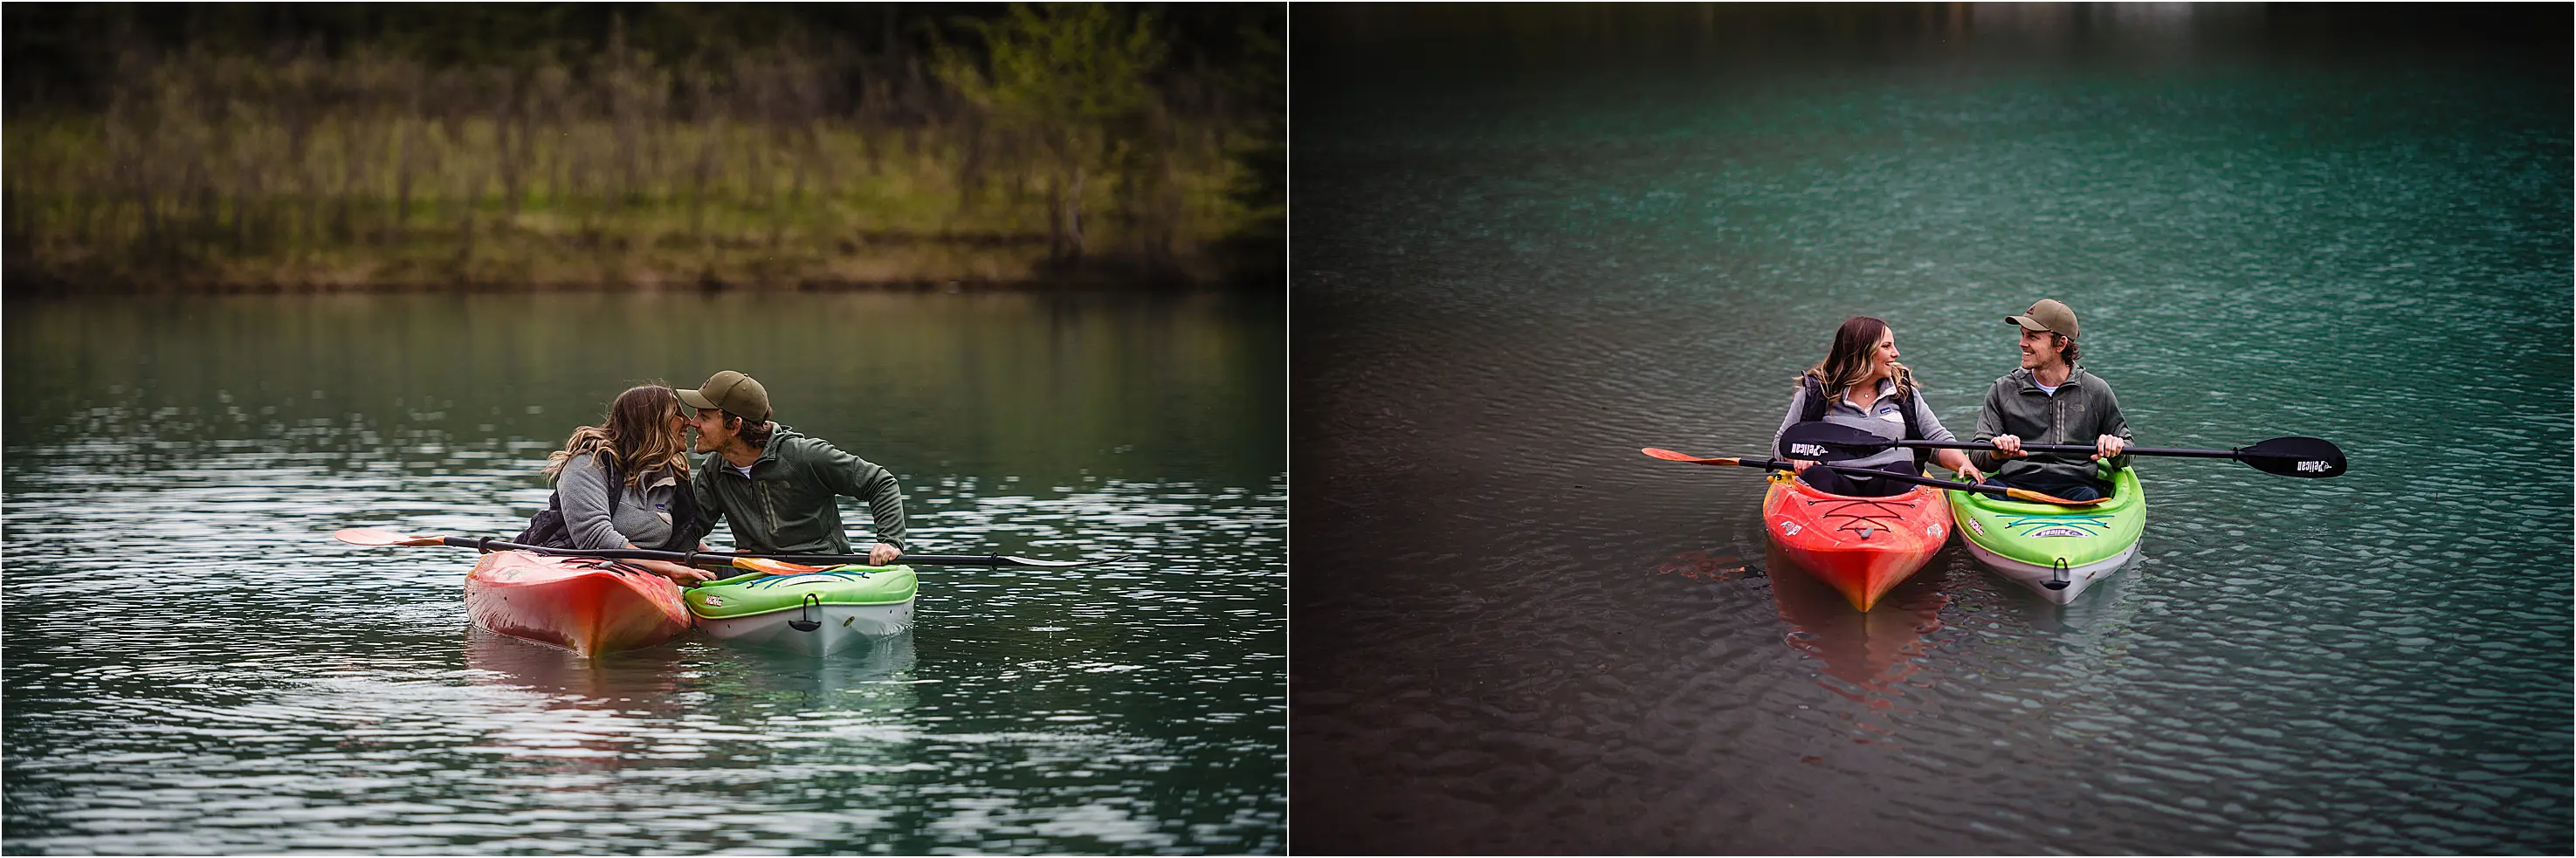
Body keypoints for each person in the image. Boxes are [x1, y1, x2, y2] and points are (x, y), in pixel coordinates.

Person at [678, 370, 909, 565]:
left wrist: (889, 541)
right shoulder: (713, 471)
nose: (692, 422)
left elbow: (880, 482)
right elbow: (688, 531)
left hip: (828, 574)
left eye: (704, 416)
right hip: (755, 578)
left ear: (735, 425)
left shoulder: (806, 456)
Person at [519, 384, 716, 583]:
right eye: (677, 414)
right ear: (650, 423)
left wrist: (724, 563)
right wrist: (666, 569)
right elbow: (595, 537)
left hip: (641, 580)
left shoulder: (673, 474)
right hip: (567, 572)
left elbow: (683, 538)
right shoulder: (588, 462)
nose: (688, 422)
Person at [1774, 316, 1983, 497]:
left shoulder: (1903, 392)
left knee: (1903, 470)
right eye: (1886, 346)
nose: (1896, 353)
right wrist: (1797, 457)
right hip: (1832, 485)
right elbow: (1781, 444)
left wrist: (1963, 463)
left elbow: (1935, 440)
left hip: (1892, 486)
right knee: (1817, 475)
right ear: (1861, 352)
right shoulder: (1817, 393)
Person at [1968, 299, 2132, 502]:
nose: (2022, 343)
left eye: (2032, 337)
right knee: (1991, 489)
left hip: (2077, 490)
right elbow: (1977, 453)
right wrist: (1996, 453)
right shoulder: (2003, 389)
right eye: (2022, 335)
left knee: (2090, 495)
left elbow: (2127, 453)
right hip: (2014, 487)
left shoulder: (2096, 390)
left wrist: (2115, 447)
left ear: (2061, 344)